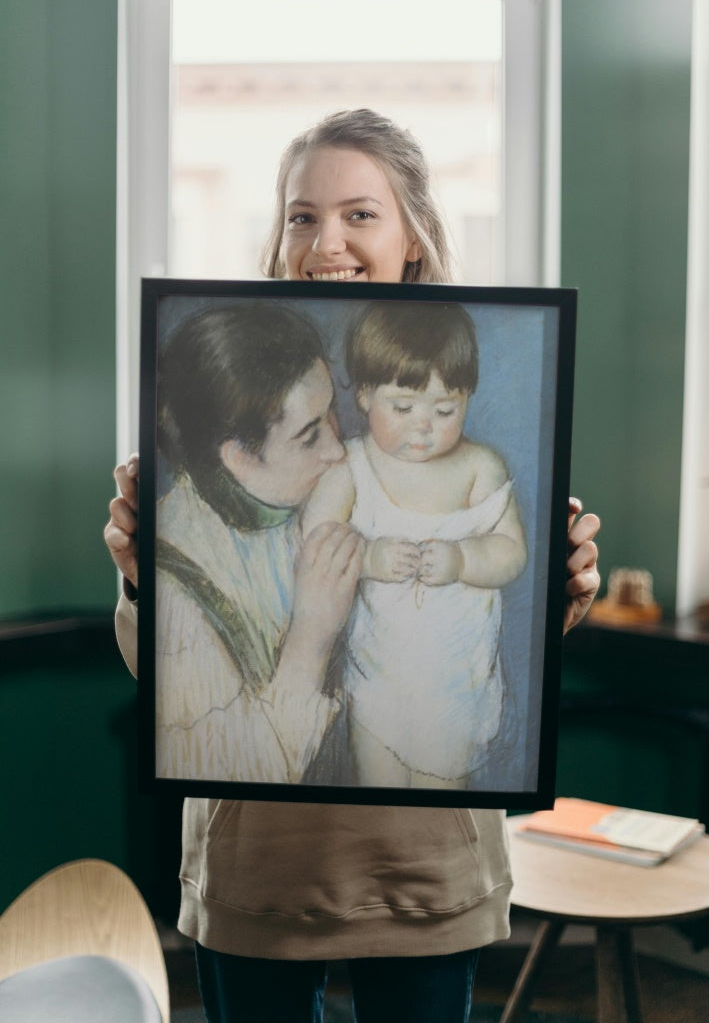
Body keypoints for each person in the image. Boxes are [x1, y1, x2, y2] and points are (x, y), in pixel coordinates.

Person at [105, 108, 601, 1023]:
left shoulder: (464, 422)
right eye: (301, 215)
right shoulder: (231, 417)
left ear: (413, 234)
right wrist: (143, 578)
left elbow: (496, 615)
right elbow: (172, 688)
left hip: (422, 862)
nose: (325, 240)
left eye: (359, 214)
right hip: (262, 866)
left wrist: (555, 596)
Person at [302, 301, 527, 789]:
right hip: (377, 676)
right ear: (364, 395)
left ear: (467, 397)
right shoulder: (351, 466)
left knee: (439, 804)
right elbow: (314, 544)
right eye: (402, 408)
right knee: (376, 791)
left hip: (455, 683)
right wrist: (368, 556)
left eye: (445, 409)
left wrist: (466, 558)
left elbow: (511, 551)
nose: (423, 425)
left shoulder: (479, 467)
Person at [152, 303, 362, 783]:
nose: (337, 448)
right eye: (310, 436)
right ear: (238, 458)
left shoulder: (325, 492)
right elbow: (233, 773)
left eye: (332, 413)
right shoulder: (176, 585)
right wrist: (310, 639)